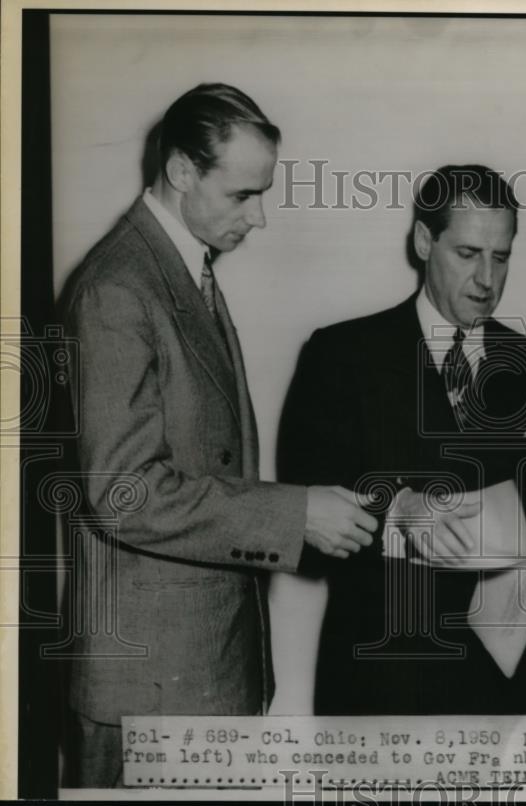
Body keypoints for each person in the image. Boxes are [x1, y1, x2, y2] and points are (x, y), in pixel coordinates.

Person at [59, 83, 377, 787]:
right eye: (242, 195)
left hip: (199, 673)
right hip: (149, 689)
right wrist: (294, 514)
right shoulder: (117, 288)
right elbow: (125, 493)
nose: (258, 216)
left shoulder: (179, 266)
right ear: (180, 170)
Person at [276, 164, 526, 715]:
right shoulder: (340, 357)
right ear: (422, 240)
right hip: (374, 687)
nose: (487, 279)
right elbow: (299, 520)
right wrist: (398, 513)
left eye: (501, 257)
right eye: (467, 253)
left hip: (498, 695)